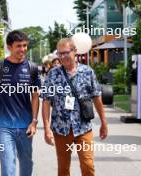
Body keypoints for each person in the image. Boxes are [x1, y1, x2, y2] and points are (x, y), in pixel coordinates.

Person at [41, 38, 108, 176]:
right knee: (63, 168)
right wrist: (47, 128)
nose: (62, 57)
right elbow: (46, 101)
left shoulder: (87, 72)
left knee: (88, 165)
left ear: (75, 51)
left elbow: (96, 97)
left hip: (83, 127)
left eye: (66, 53)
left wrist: (103, 122)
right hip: (61, 129)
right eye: (60, 54)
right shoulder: (53, 74)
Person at [0, 30, 41, 176]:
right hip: (4, 127)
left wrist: (34, 121)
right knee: (8, 167)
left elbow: (35, 96)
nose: (23, 49)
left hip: (26, 126)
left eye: (25, 45)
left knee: (26, 165)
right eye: (19, 46)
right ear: (9, 47)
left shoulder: (32, 68)